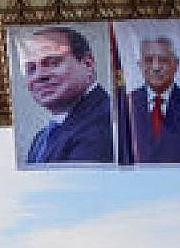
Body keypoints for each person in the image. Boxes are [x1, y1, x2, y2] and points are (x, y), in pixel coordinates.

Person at [20, 26, 115, 164]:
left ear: (88, 64)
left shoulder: (106, 121)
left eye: (53, 63)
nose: (39, 76)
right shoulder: (40, 138)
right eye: (31, 69)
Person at [126, 36, 180, 164]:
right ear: (140, 65)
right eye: (149, 60)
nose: (156, 67)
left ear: (176, 64)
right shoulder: (126, 106)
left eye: (163, 60)